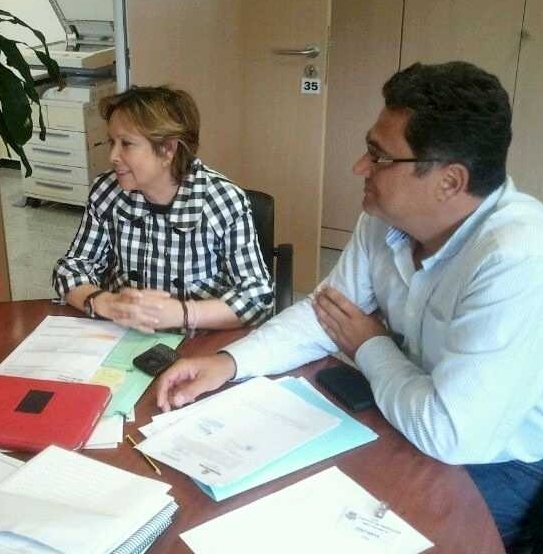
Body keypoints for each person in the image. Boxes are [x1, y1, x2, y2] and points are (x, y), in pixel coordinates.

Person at [156, 61, 543, 550]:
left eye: (379, 156)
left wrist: (369, 345)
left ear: (449, 181)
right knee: (262, 496)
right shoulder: (386, 217)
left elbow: (450, 434)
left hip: (497, 462)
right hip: (404, 409)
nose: (360, 167)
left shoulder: (518, 257)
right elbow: (326, 315)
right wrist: (229, 362)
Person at [52, 86, 273, 333]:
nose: (113, 156)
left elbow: (258, 297)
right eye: (112, 142)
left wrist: (183, 313)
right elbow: (70, 269)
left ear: (168, 149)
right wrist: (105, 303)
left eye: (126, 144)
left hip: (199, 339)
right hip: (123, 335)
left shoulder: (222, 200)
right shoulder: (107, 191)